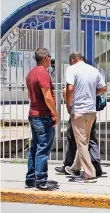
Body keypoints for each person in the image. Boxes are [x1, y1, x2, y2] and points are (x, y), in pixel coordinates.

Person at [64, 52, 107, 183]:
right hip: (91, 111)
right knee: (84, 141)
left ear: (72, 60)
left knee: (81, 143)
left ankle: (89, 173)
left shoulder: (72, 69)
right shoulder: (94, 70)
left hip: (79, 110)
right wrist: (92, 94)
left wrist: (68, 103)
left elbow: (70, 88)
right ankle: (75, 167)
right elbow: (103, 88)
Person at [25, 48, 59, 191]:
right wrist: (55, 113)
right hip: (43, 116)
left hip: (33, 114)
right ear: (45, 57)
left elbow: (29, 95)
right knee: (43, 148)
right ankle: (41, 180)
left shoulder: (31, 73)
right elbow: (47, 96)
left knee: (34, 147)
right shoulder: (43, 73)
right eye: (50, 57)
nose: (50, 60)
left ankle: (30, 178)